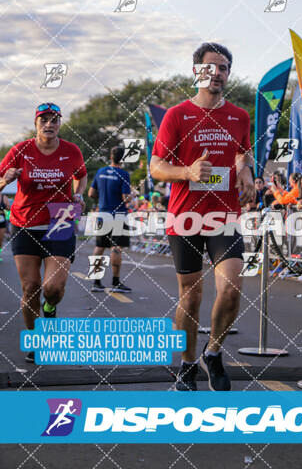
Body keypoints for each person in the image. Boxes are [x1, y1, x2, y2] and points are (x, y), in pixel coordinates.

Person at [150, 42, 254, 392]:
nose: (217, 73)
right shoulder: (176, 115)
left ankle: (214, 352)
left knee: (231, 288)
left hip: (224, 214)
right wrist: (187, 172)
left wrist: (246, 172)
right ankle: (187, 363)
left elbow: (243, 153)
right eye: (210, 67)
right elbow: (156, 167)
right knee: (190, 297)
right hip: (185, 217)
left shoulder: (240, 116)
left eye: (223, 68)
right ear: (197, 72)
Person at [0, 103, 87, 362]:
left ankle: (49, 309)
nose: (49, 124)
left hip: (60, 219)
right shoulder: (20, 150)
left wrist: (78, 193)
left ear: (60, 123)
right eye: (44, 120)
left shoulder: (71, 151)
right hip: (24, 222)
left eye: (54, 120)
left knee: (53, 288)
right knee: (30, 287)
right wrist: (6, 179)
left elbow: (80, 176)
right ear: (36, 123)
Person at [88, 146, 132, 293]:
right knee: (116, 248)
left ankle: (96, 281)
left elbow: (91, 193)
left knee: (99, 247)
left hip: (103, 213)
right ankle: (115, 282)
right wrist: (131, 197)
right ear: (123, 158)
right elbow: (125, 198)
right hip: (118, 214)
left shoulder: (100, 172)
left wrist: (103, 198)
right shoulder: (123, 174)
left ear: (111, 157)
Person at [0, 192, 11, 261]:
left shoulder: (4, 197)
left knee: (0, 239)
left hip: (2, 221)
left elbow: (8, 208)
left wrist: (6, 208)